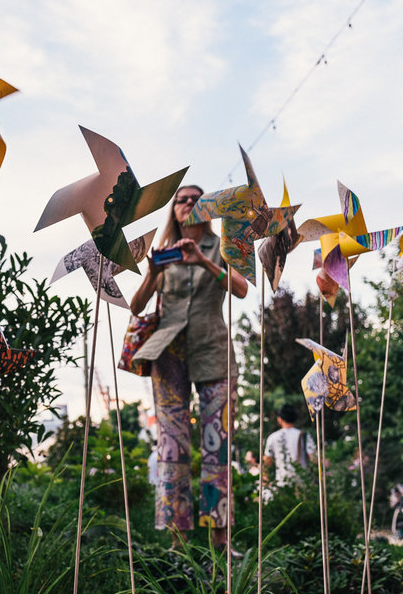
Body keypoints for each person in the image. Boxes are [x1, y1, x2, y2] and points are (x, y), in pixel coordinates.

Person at [129, 185, 248, 549]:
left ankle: (220, 536)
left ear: (207, 209)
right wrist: (151, 273)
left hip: (213, 351)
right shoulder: (162, 251)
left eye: (197, 199)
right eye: (182, 199)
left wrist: (203, 261)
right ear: (174, 209)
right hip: (168, 355)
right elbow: (136, 306)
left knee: (218, 445)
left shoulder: (222, 247)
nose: (189, 204)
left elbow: (241, 289)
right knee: (171, 446)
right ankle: (178, 540)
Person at [262, 403, 315, 501]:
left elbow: (266, 463)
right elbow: (314, 459)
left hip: (281, 484)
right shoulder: (304, 436)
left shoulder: (273, 437)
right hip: (302, 484)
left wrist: (266, 481)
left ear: (280, 419)